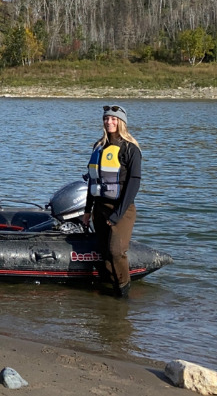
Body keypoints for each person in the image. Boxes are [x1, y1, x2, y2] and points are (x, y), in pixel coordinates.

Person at [82, 105, 141, 298]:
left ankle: (124, 293)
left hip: (121, 209)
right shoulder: (98, 147)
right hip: (100, 208)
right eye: (107, 119)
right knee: (104, 254)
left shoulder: (130, 148)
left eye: (114, 119)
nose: (109, 122)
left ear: (121, 122)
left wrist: (117, 214)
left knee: (116, 252)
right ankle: (110, 300)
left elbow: (133, 183)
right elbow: (93, 180)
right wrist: (87, 210)